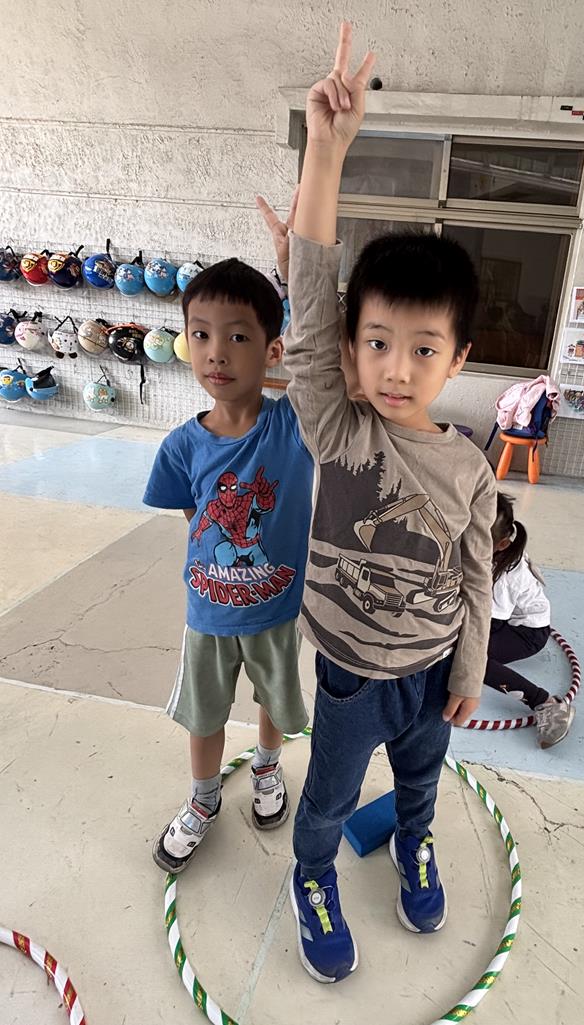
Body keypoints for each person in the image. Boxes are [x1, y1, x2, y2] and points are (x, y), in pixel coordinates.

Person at [272, 21, 497, 984]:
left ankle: (413, 842)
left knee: (419, 779)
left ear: (458, 359)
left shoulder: (472, 466)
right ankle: (312, 873)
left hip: (431, 671)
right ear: (350, 350)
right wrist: (326, 150)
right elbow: (310, 309)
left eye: (422, 349)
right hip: (351, 675)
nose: (395, 368)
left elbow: (478, 572)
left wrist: (469, 665)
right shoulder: (341, 429)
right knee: (328, 797)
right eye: (376, 343)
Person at [143, 256, 314, 874]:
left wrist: (298, 274)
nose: (216, 352)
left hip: (277, 609)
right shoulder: (181, 446)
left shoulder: (295, 425)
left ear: (273, 349)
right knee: (204, 713)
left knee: (274, 700)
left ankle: (267, 768)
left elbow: (327, 367)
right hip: (209, 615)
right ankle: (204, 797)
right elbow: (197, 521)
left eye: (239, 336)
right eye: (201, 334)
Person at [484, 493, 575, 749]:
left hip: (526, 634)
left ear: (501, 544)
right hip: (507, 621)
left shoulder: (502, 575)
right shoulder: (496, 552)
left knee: (468, 659)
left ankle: (546, 704)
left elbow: (488, 623)